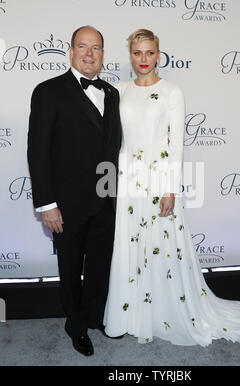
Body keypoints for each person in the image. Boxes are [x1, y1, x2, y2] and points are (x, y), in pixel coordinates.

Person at [103, 29, 240, 346]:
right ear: (130, 55)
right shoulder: (118, 90)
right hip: (127, 175)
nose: (144, 59)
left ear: (158, 54)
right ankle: (131, 314)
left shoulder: (171, 91)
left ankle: (163, 313)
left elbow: (177, 144)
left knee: (161, 244)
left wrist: (170, 188)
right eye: (138, 53)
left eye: (150, 53)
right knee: (130, 245)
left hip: (158, 175)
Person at [27, 26, 123, 356]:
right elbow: (37, 152)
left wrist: (112, 195)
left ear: (103, 55)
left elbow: (111, 149)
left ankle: (96, 317)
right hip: (66, 203)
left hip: (105, 198)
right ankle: (77, 326)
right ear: (70, 51)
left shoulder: (112, 93)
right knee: (70, 267)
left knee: (100, 263)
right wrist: (47, 204)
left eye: (96, 48)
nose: (89, 53)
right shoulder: (48, 91)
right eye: (82, 46)